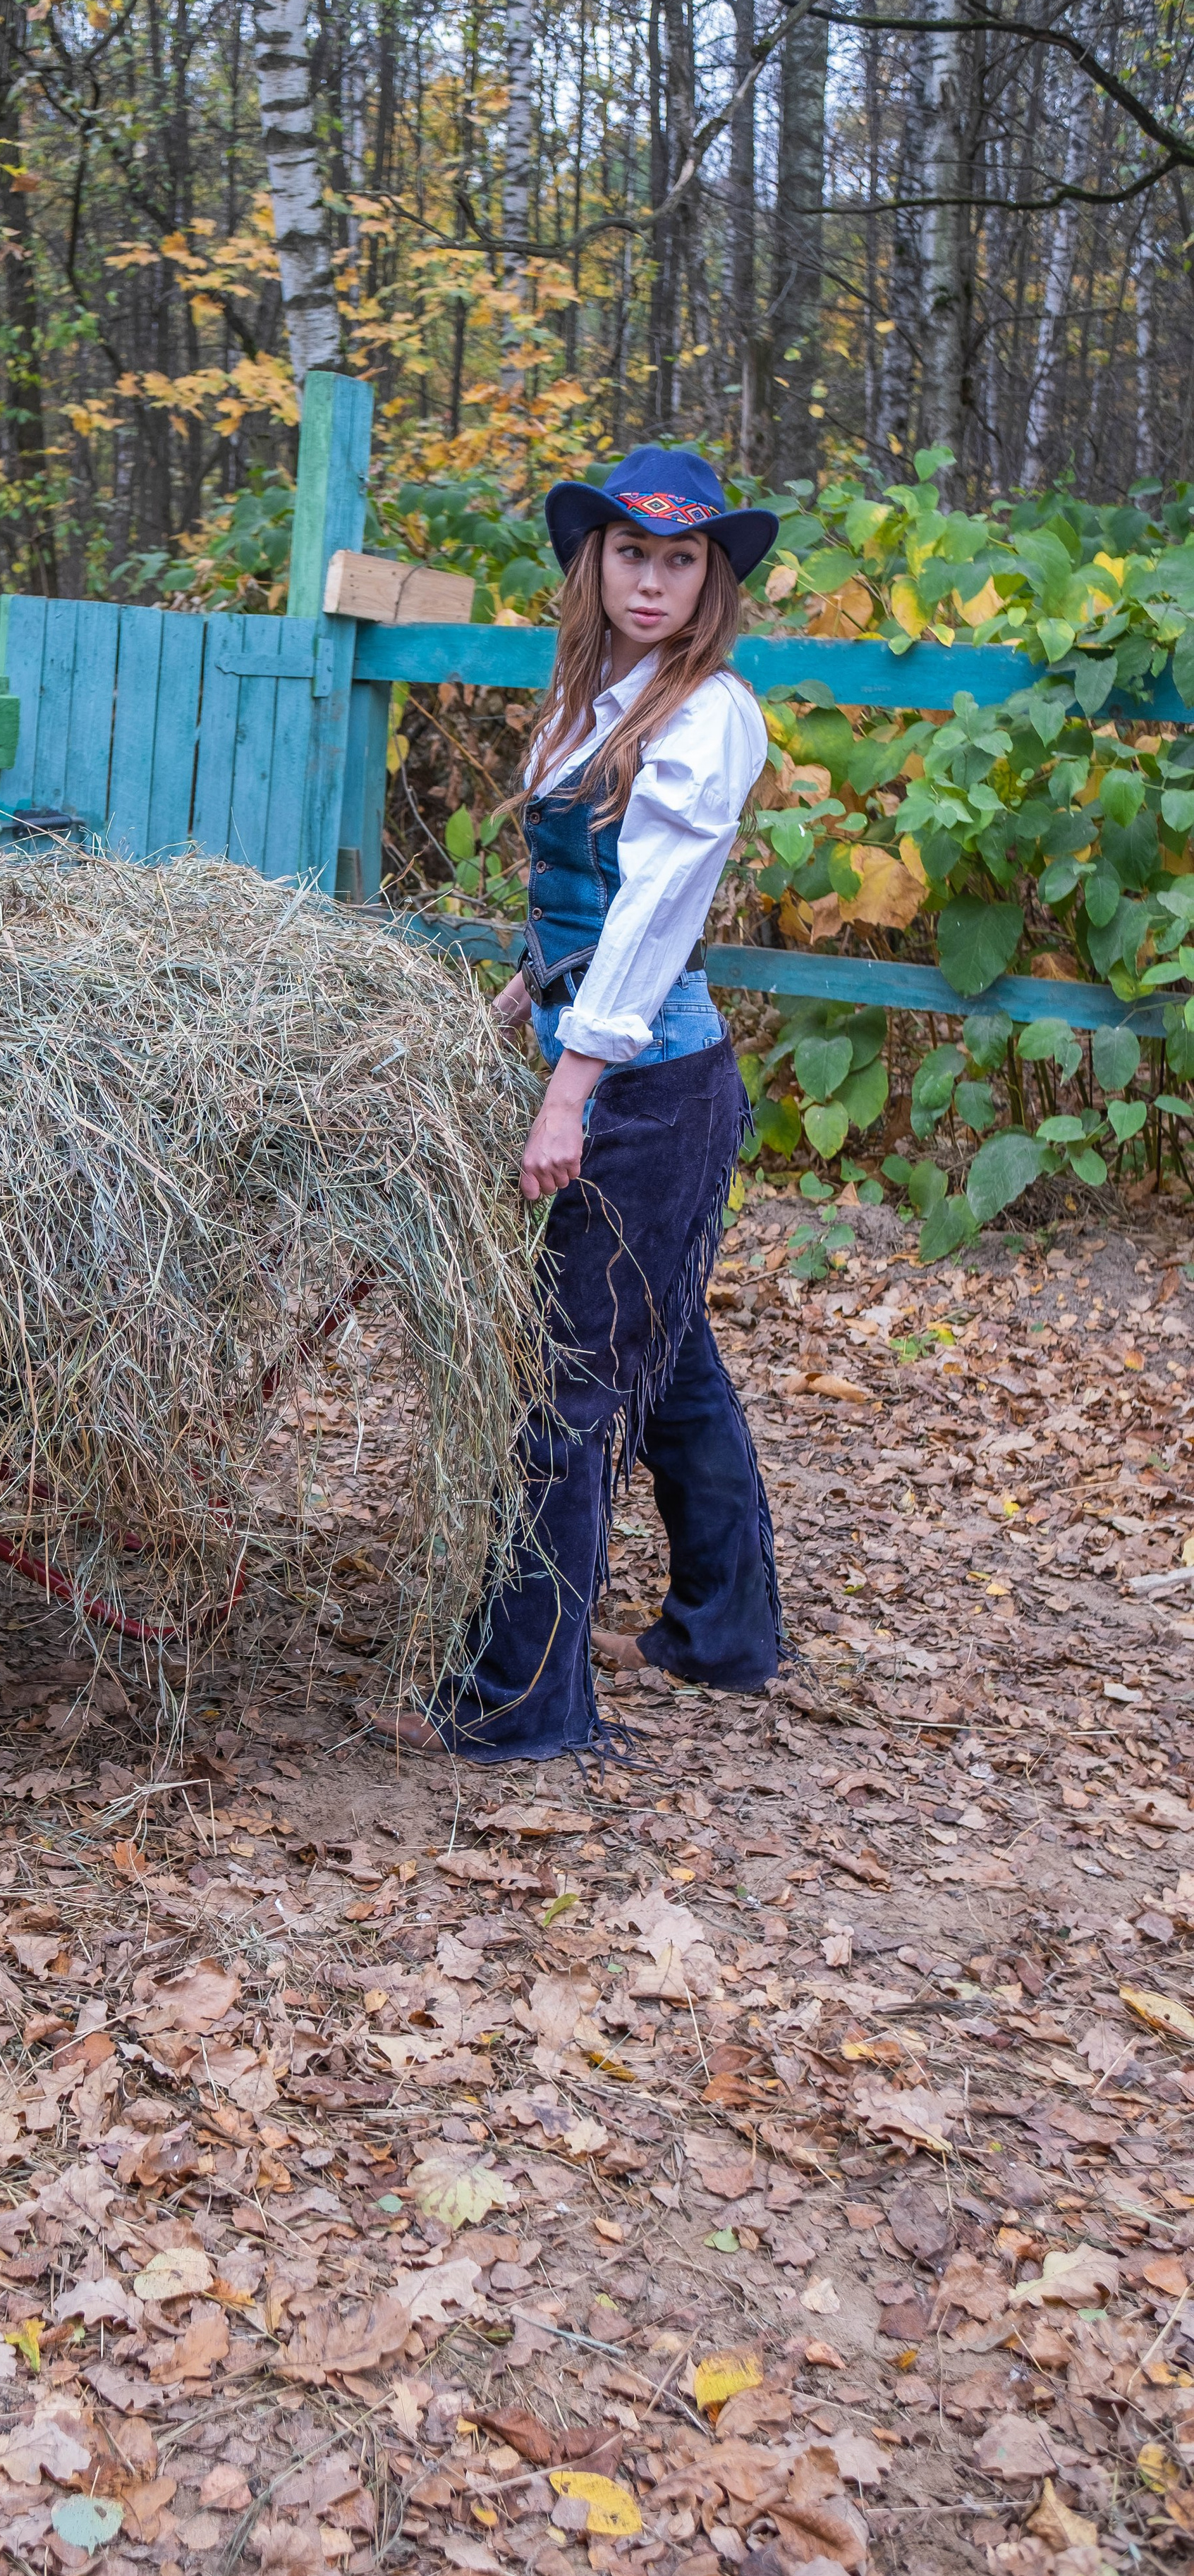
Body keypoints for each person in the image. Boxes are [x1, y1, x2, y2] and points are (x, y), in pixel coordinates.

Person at [374, 443, 787, 1770]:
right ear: (592, 563)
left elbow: (659, 914)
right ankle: (725, 1633)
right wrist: (509, 1007)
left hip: (653, 1089)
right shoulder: (596, 696)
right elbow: (583, 907)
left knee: (563, 1390)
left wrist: (570, 1092)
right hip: (606, 1058)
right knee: (667, 1371)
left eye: (680, 561)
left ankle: (519, 1704)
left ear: (712, 579)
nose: (652, 581)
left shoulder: (707, 713)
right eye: (630, 554)